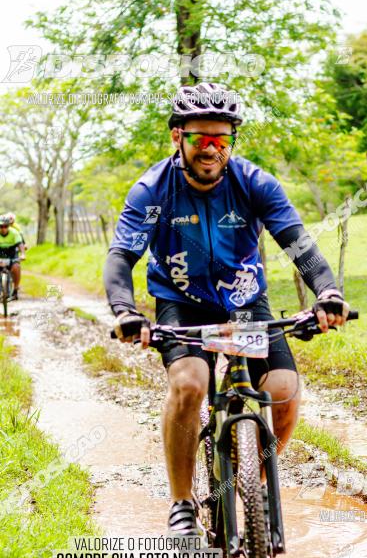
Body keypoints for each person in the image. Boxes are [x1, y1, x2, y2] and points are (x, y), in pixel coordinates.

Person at [104, 82, 349, 535]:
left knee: (283, 390)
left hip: (245, 302)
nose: (211, 149)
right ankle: (181, 503)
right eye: (200, 138)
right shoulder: (152, 191)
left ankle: (247, 490)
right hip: (182, 304)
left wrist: (327, 293)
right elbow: (121, 257)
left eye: (222, 140)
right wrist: (124, 311)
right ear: (178, 137)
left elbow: (299, 245)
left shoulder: (255, 184)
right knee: (191, 384)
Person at [0, 215, 22, 299]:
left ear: (8, 226)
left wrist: (23, 254)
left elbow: (20, 244)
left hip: (11, 255)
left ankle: (15, 290)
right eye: (1, 226)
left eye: (5, 226)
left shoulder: (14, 232)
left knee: (16, 267)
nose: (3, 228)